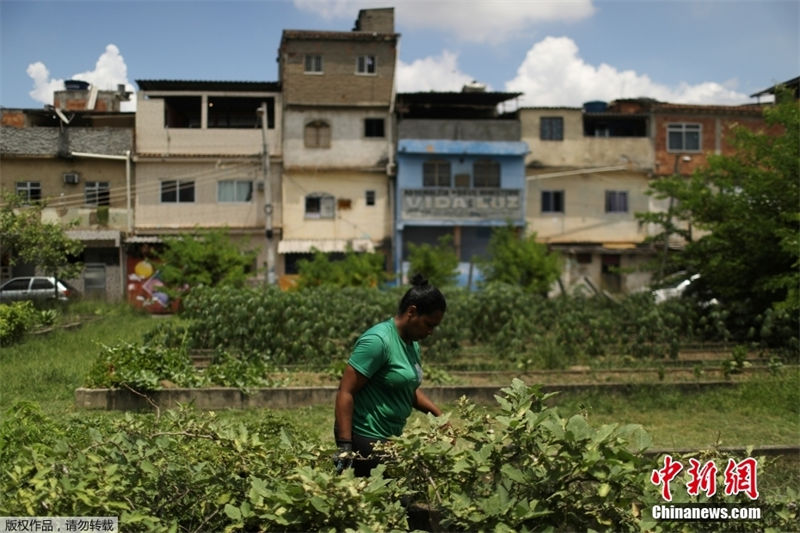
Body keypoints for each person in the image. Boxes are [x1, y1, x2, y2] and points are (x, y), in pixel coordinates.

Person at [333, 274, 446, 476]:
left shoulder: (412, 344)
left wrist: (439, 416)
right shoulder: (379, 341)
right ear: (412, 312)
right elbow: (345, 391)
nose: (431, 332)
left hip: (390, 438)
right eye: (429, 324)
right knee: (392, 501)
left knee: (397, 499)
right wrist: (345, 447)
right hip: (365, 437)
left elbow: (407, 389)